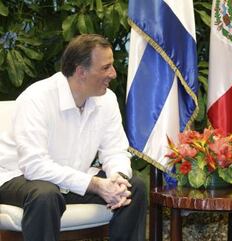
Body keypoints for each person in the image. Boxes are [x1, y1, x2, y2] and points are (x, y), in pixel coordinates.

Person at [0, 34, 147, 241]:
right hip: (18, 177)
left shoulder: (107, 100)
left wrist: (118, 179)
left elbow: (115, 150)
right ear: (81, 72)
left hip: (74, 179)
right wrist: (95, 184)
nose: (113, 74)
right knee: (45, 194)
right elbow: (34, 166)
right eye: (105, 68)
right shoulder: (36, 98)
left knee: (135, 188)